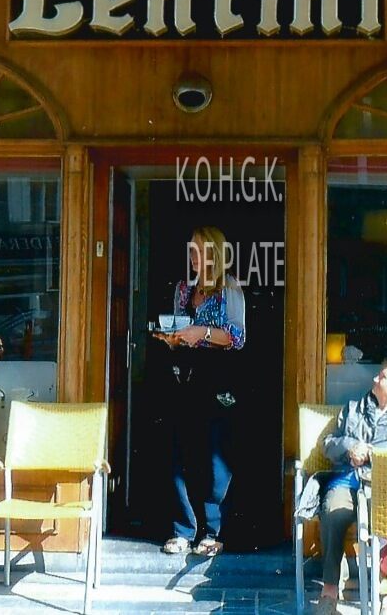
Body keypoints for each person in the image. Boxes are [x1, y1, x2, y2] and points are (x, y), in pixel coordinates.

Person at [310, 358, 387, 615]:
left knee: (386, 521)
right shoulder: (354, 408)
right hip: (349, 481)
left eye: (383, 377)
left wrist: (372, 452)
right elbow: (328, 443)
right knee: (333, 511)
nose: (375, 379)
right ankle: (329, 592)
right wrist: (350, 448)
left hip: (386, 486)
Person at [155, 226, 246, 558]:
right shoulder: (184, 288)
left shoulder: (229, 288)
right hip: (186, 374)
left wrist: (202, 332)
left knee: (215, 457)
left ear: (214, 254)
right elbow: (179, 329)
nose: (193, 257)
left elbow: (238, 337)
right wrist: (173, 339)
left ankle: (212, 531)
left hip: (218, 375)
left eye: (199, 250)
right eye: (190, 250)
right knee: (179, 451)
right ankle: (182, 529)